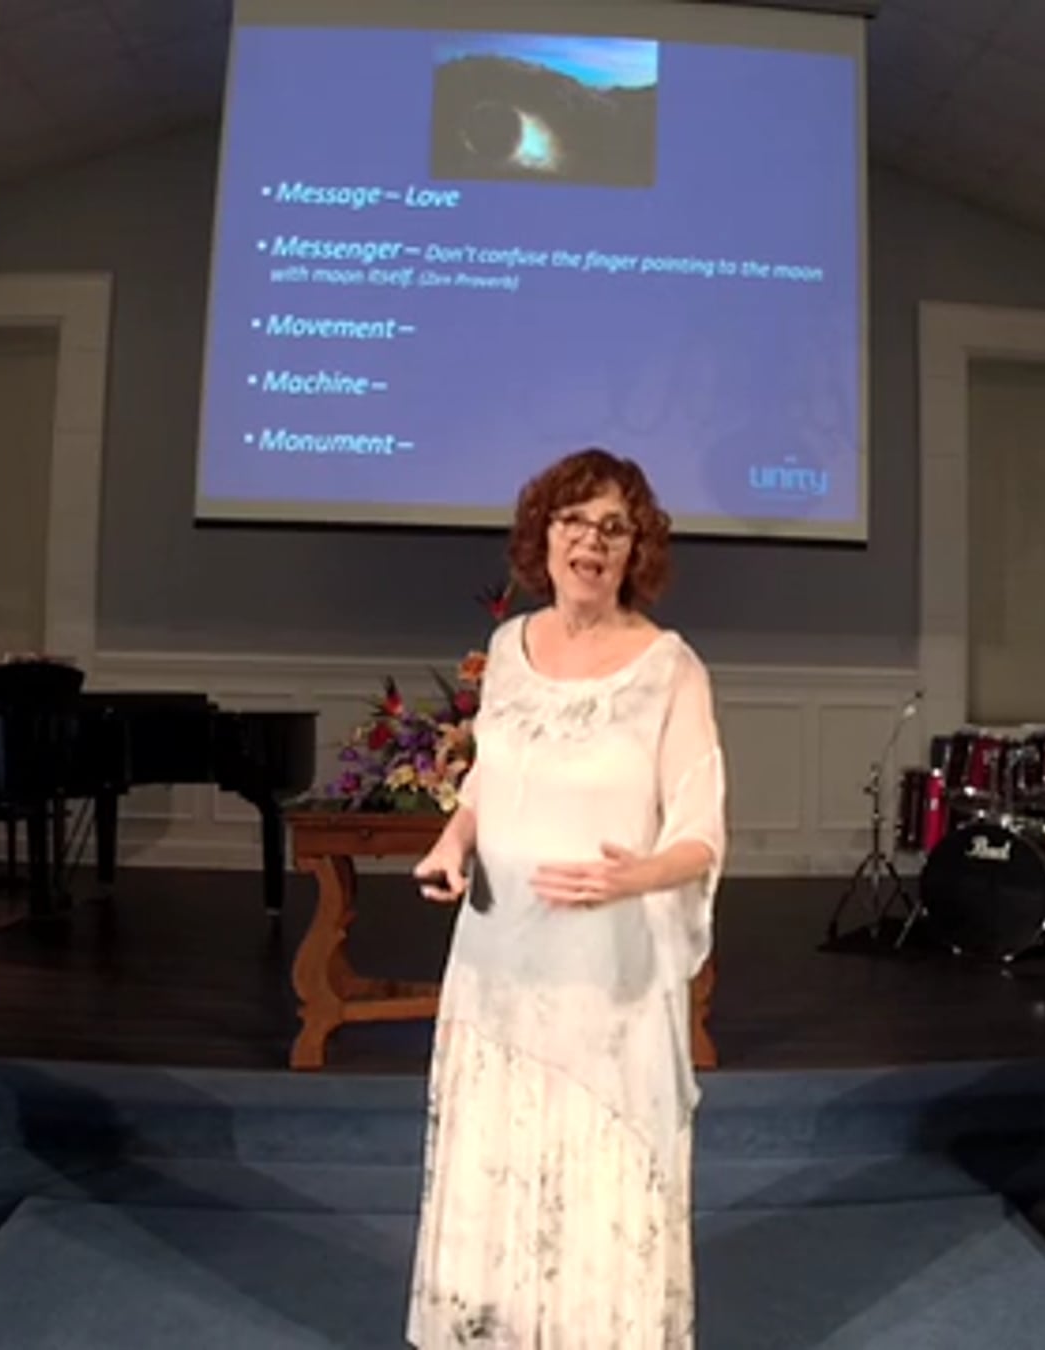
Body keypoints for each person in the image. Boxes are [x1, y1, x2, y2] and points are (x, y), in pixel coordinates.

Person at [406, 448, 726, 1348]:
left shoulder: (670, 668)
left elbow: (702, 835)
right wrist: (453, 840)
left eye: (613, 528)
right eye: (574, 522)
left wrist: (634, 877)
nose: (591, 542)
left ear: (636, 549)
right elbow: (490, 780)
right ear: (542, 537)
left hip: (606, 978)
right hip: (499, 960)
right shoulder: (510, 650)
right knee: (498, 1156)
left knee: (602, 1170)